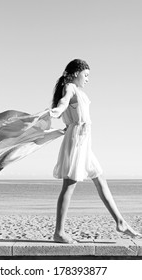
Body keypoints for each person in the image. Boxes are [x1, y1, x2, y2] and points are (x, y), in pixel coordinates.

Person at [50, 59, 141, 243]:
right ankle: (59, 232)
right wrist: (58, 109)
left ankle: (120, 222)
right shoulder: (70, 87)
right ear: (76, 73)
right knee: (69, 185)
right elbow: (64, 100)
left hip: (84, 142)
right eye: (86, 75)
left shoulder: (78, 91)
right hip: (77, 142)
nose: (88, 79)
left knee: (100, 180)